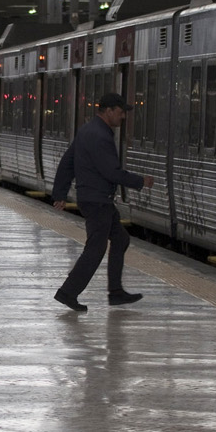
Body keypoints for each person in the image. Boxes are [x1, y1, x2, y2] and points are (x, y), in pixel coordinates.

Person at [50, 93, 154, 312]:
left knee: (120, 239)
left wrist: (60, 193)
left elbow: (67, 161)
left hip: (95, 199)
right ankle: (68, 292)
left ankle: (115, 292)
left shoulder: (88, 130)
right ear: (109, 111)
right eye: (120, 112)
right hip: (97, 201)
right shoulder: (100, 135)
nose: (123, 116)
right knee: (95, 249)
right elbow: (110, 171)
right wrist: (140, 181)